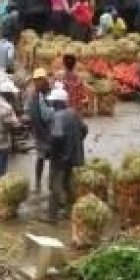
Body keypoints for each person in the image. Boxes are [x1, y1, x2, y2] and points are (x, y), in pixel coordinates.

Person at [47, 85, 88, 221]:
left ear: (58, 102)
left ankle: (53, 215)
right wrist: (77, 143)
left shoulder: (57, 116)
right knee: (67, 183)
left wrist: (51, 152)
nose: (51, 103)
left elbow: (57, 137)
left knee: (55, 184)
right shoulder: (73, 113)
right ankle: (71, 211)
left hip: (61, 157)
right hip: (73, 156)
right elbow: (84, 129)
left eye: (53, 101)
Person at [26, 68, 54, 192]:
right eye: (36, 80)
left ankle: (51, 182)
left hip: (49, 131)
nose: (38, 83)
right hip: (41, 131)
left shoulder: (48, 92)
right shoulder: (34, 96)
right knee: (42, 157)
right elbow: (40, 115)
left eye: (40, 80)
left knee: (50, 157)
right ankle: (39, 181)